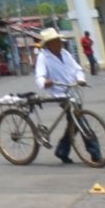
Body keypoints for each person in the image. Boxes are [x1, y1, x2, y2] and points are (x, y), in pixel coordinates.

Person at [33, 27, 86, 160]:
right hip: (59, 93)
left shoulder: (66, 54)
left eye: (58, 40)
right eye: (55, 41)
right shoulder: (43, 57)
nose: (59, 43)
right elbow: (39, 76)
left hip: (73, 91)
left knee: (74, 123)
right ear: (49, 44)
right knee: (80, 121)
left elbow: (77, 69)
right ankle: (96, 154)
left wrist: (81, 79)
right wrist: (45, 82)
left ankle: (62, 150)